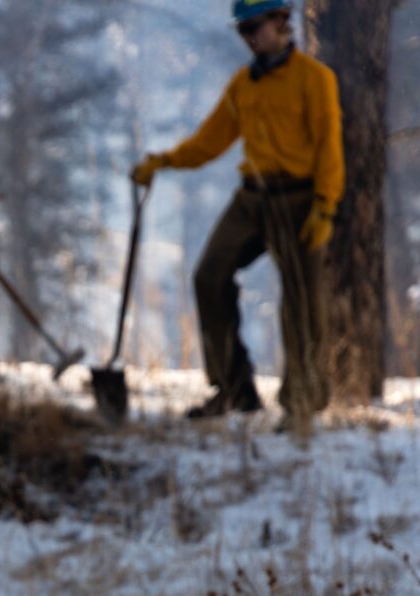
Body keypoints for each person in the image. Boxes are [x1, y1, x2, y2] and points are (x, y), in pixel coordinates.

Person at [132, 0, 342, 435]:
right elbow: (209, 142)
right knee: (209, 277)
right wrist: (163, 161)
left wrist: (325, 205)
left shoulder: (314, 79)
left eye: (254, 27)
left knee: (301, 301)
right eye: (242, 31)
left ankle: (301, 402)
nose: (249, 38)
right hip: (252, 198)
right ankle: (233, 389)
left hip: (299, 199)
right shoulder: (243, 86)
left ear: (281, 20)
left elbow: (329, 147)